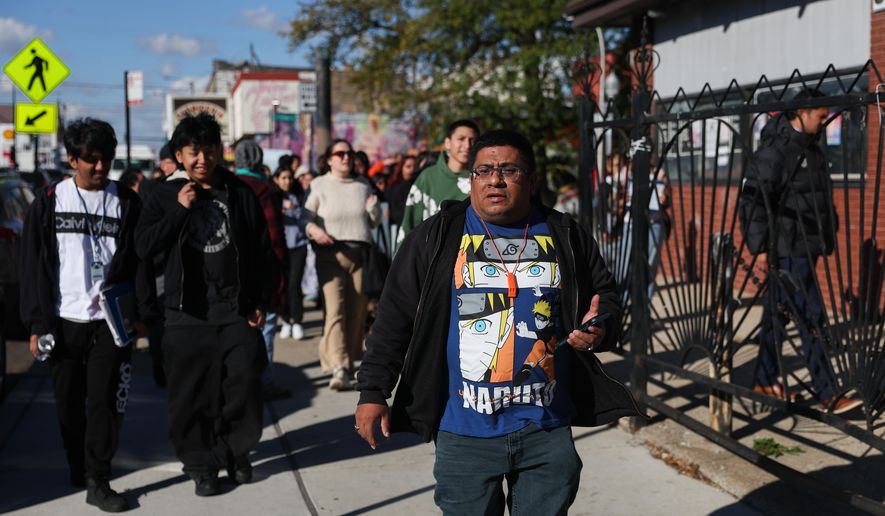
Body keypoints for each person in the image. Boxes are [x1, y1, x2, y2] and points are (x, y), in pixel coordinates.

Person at [355, 129, 642, 515]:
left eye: (509, 169)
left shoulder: (566, 235)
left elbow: (604, 295)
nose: (495, 179)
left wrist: (600, 325)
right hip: (463, 431)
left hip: (546, 427)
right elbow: (394, 318)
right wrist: (374, 391)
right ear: (471, 179)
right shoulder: (437, 237)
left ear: (531, 179)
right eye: (483, 170)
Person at [19, 118, 155, 512]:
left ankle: (98, 478)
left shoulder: (126, 203)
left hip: (110, 325)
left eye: (106, 160)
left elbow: (140, 263)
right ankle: (78, 463)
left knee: (104, 404)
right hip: (63, 322)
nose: (100, 168)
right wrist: (36, 324)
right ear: (72, 158)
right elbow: (33, 267)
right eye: (91, 160)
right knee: (68, 403)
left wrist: (143, 313)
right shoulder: (48, 203)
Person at [135, 114, 275, 496]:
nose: (202, 158)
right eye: (194, 151)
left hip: (236, 311)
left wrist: (260, 299)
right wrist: (179, 210)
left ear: (219, 151)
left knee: (243, 385)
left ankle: (236, 453)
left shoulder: (239, 192)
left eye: (209, 149)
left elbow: (262, 250)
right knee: (191, 397)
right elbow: (143, 248)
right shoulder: (162, 194)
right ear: (179, 154)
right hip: (185, 314)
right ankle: (201, 465)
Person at [740, 88, 861, 414]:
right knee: (812, 318)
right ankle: (827, 393)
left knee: (777, 317)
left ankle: (764, 380)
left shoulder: (810, 147)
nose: (823, 123)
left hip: (807, 245)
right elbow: (753, 200)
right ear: (802, 113)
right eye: (820, 116)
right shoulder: (776, 150)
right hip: (788, 248)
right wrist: (761, 248)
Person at [301, 139, 382, 391]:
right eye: (340, 153)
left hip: (359, 254)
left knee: (357, 312)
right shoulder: (319, 184)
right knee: (335, 309)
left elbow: (374, 223)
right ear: (329, 159)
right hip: (330, 254)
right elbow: (304, 216)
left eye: (349, 153)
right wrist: (314, 229)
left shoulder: (362, 184)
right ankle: (338, 366)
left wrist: (374, 209)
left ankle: (348, 359)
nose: (346, 158)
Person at [233, 139, 291, 400]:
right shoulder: (265, 190)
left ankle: (241, 382)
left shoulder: (227, 184)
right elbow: (274, 237)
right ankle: (264, 381)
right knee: (265, 326)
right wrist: (280, 273)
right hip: (262, 268)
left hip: (231, 269)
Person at [397, 119, 479, 246]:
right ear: (447, 142)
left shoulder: (482, 178)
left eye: (472, 140)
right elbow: (409, 225)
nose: (467, 145)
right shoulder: (428, 177)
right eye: (461, 139)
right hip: (431, 256)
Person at [272, 166, 309, 341]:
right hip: (280, 246)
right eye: (284, 178)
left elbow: (305, 217)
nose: (287, 181)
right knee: (283, 284)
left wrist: (293, 208)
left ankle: (297, 321)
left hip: (298, 246)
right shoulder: (272, 197)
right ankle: (286, 319)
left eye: (289, 178)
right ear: (276, 179)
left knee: (295, 284)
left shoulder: (298, 195)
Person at [386, 155, 418, 227]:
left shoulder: (419, 185)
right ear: (401, 168)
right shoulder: (394, 188)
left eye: (414, 166)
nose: (412, 170)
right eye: (408, 166)